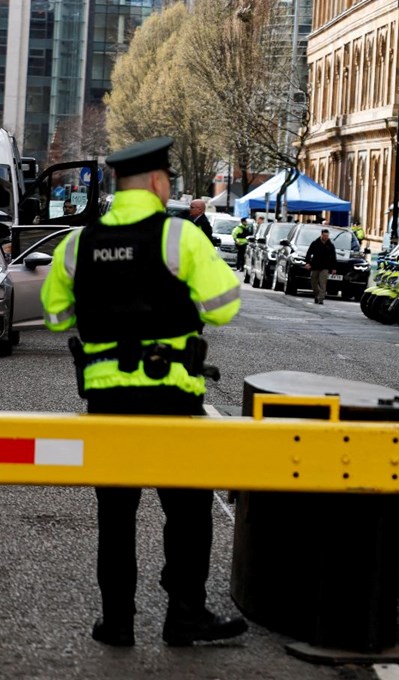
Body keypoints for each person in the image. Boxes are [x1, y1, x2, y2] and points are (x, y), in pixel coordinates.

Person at [39, 136, 246, 647]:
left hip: (107, 402)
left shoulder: (76, 245)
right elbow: (224, 306)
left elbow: (54, 316)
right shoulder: (179, 238)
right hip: (171, 398)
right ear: (158, 183)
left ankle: (117, 623)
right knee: (189, 511)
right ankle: (185, 616)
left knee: (115, 516)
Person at [305, 228, 337, 304]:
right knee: (313, 283)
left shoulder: (330, 245)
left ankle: (321, 298)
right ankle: (317, 295)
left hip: (325, 267)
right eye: (324, 235)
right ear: (321, 235)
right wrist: (308, 263)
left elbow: (333, 257)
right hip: (315, 266)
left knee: (323, 283)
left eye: (327, 236)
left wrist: (334, 268)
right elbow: (309, 253)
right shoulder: (315, 243)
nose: (325, 237)